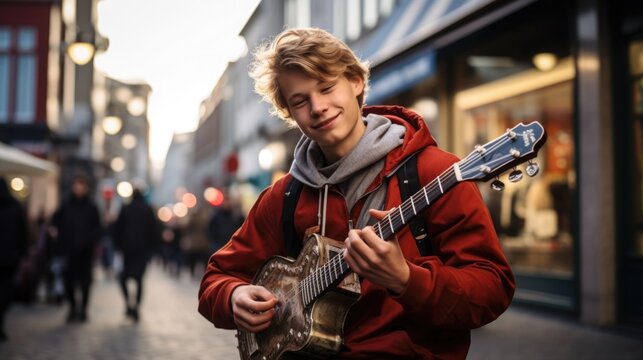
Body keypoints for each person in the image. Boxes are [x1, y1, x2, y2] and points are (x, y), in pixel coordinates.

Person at [198, 28, 515, 359]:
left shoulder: (435, 173)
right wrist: (233, 296)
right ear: (289, 114)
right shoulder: (284, 196)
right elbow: (217, 278)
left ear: (356, 82)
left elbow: (492, 289)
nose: (318, 107)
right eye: (300, 101)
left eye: (327, 87)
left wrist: (407, 279)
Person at [51, 172, 102, 323]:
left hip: (85, 251)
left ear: (86, 188)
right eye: (76, 185)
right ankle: (72, 308)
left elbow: (97, 228)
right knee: (69, 281)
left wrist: (91, 242)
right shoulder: (66, 205)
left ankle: (83, 310)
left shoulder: (92, 207)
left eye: (82, 186)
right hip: (68, 250)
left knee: (85, 282)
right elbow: (56, 221)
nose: (79, 188)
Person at [112, 188, 160, 322]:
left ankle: (128, 303)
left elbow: (117, 229)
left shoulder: (125, 208)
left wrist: (118, 246)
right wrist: (153, 249)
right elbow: (154, 230)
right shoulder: (147, 209)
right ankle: (136, 307)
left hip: (127, 249)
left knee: (124, 277)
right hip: (142, 250)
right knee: (139, 279)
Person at [0, 178, 28, 341]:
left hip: (9, 257)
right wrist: (22, 253)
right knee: (6, 291)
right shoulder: (15, 206)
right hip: (11, 257)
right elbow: (23, 233)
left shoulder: (14, 207)